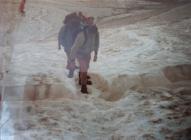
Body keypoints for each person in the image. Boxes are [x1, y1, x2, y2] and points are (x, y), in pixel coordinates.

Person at [69, 18, 99, 94]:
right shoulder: (82, 34)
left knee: (86, 67)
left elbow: (97, 43)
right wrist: (71, 59)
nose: (91, 22)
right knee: (84, 68)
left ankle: (81, 80)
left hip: (88, 53)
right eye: (90, 21)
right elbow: (75, 47)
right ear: (87, 23)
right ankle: (83, 87)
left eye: (92, 21)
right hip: (80, 54)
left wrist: (96, 54)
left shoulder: (95, 32)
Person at [58, 12, 84, 78]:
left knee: (71, 58)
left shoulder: (66, 26)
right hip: (73, 46)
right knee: (72, 58)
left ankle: (70, 69)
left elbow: (60, 36)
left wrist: (63, 44)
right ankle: (71, 72)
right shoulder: (79, 25)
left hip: (69, 46)